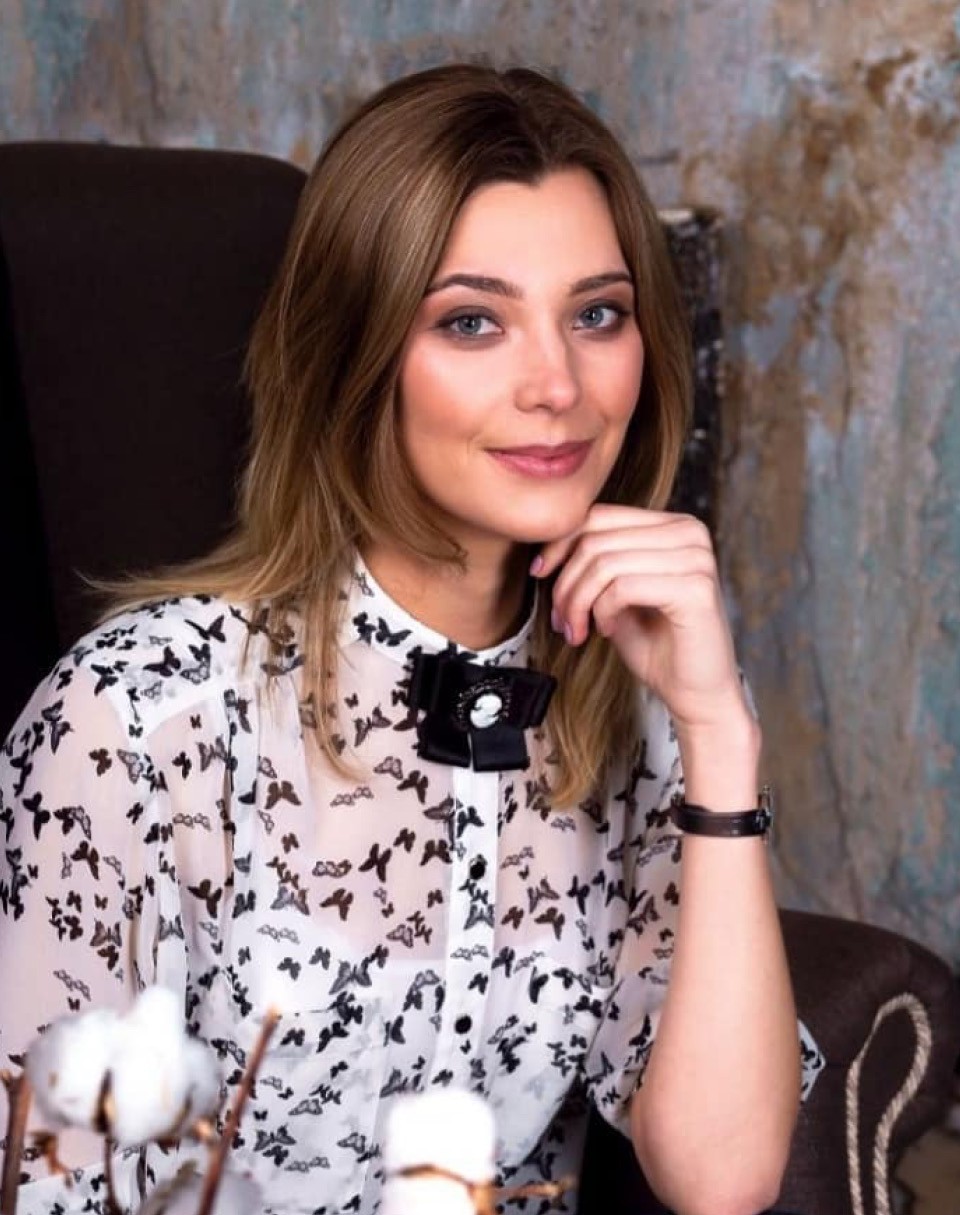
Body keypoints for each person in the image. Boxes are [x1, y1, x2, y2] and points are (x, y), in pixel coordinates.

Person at [0, 62, 820, 1215]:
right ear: (357, 352)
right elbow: (49, 1188)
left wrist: (718, 736)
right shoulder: (135, 721)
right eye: (472, 321)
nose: (558, 385)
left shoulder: (645, 700)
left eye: (597, 314)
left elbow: (723, 1179)